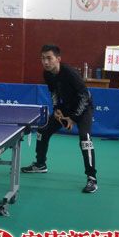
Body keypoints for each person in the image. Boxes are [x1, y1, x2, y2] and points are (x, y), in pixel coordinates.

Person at [21, 45, 98, 194]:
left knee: (85, 138)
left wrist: (73, 118)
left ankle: (92, 178)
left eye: (49, 58)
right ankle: (40, 164)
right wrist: (56, 108)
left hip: (84, 108)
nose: (45, 62)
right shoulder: (47, 74)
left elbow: (85, 96)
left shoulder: (70, 73)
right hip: (66, 107)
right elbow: (54, 92)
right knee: (43, 130)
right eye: (43, 58)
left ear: (58, 59)